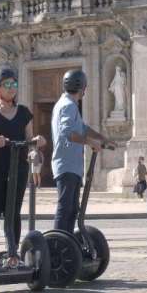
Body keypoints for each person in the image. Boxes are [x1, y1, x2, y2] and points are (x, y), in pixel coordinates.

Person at [0, 66, 45, 267]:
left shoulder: (24, 112)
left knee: (13, 211)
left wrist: (36, 143)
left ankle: (13, 253)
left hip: (17, 166)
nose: (11, 88)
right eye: (6, 85)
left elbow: (29, 138)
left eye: (14, 84)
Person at [51, 69, 113, 234]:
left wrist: (101, 138)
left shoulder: (68, 104)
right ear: (82, 87)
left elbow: (82, 129)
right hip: (67, 166)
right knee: (65, 208)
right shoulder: (68, 105)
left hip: (71, 166)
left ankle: (68, 242)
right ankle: (58, 243)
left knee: (72, 210)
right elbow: (67, 133)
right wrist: (91, 142)